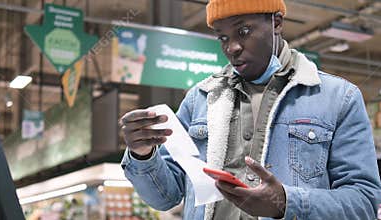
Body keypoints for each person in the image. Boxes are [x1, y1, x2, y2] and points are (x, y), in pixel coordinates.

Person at [119, 0, 381, 219]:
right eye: (223, 37)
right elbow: (165, 197)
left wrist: (287, 202)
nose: (231, 48)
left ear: (276, 22)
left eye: (243, 31)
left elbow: (364, 202)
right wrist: (142, 154)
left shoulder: (338, 99)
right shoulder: (199, 99)